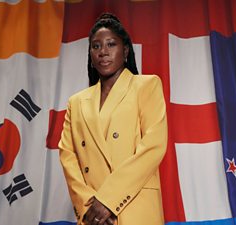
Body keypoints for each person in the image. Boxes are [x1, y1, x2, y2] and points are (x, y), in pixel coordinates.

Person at [58, 13, 167, 225]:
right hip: (94, 217)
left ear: (125, 51)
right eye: (96, 46)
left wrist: (108, 200)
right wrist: (88, 206)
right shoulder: (76, 102)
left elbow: (153, 147)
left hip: (135, 208)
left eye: (111, 44)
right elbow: (67, 156)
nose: (103, 52)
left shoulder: (147, 86)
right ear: (90, 54)